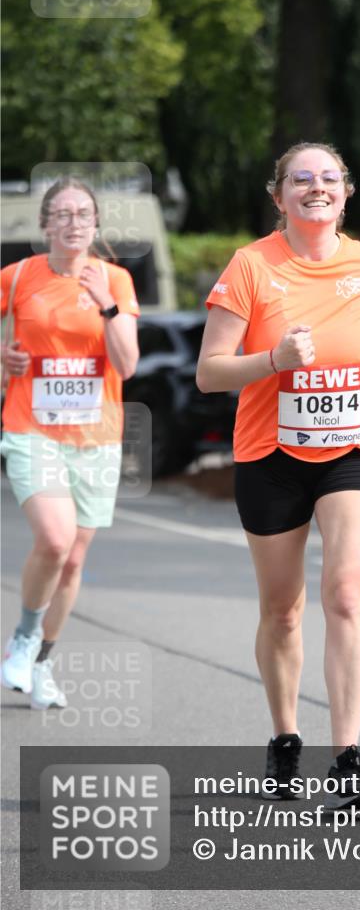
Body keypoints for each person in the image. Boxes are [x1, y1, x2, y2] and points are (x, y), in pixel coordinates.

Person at [197, 142, 360, 808]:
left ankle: (348, 760)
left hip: (354, 447)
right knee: (283, 612)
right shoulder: (250, 266)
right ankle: (284, 736)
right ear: (279, 196)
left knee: (347, 593)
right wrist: (272, 359)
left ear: (346, 192)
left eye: (328, 179)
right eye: (301, 180)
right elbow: (210, 371)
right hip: (270, 454)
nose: (316, 188)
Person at [1, 178, 140, 709]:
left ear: (96, 223)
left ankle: (41, 665)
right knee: (55, 542)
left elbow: (127, 365)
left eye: (83, 213)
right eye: (61, 214)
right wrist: (2, 358)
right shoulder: (16, 279)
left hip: (96, 438)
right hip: (31, 429)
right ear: (45, 225)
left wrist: (106, 306)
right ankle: (22, 637)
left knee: (75, 562)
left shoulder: (117, 281)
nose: (73, 223)